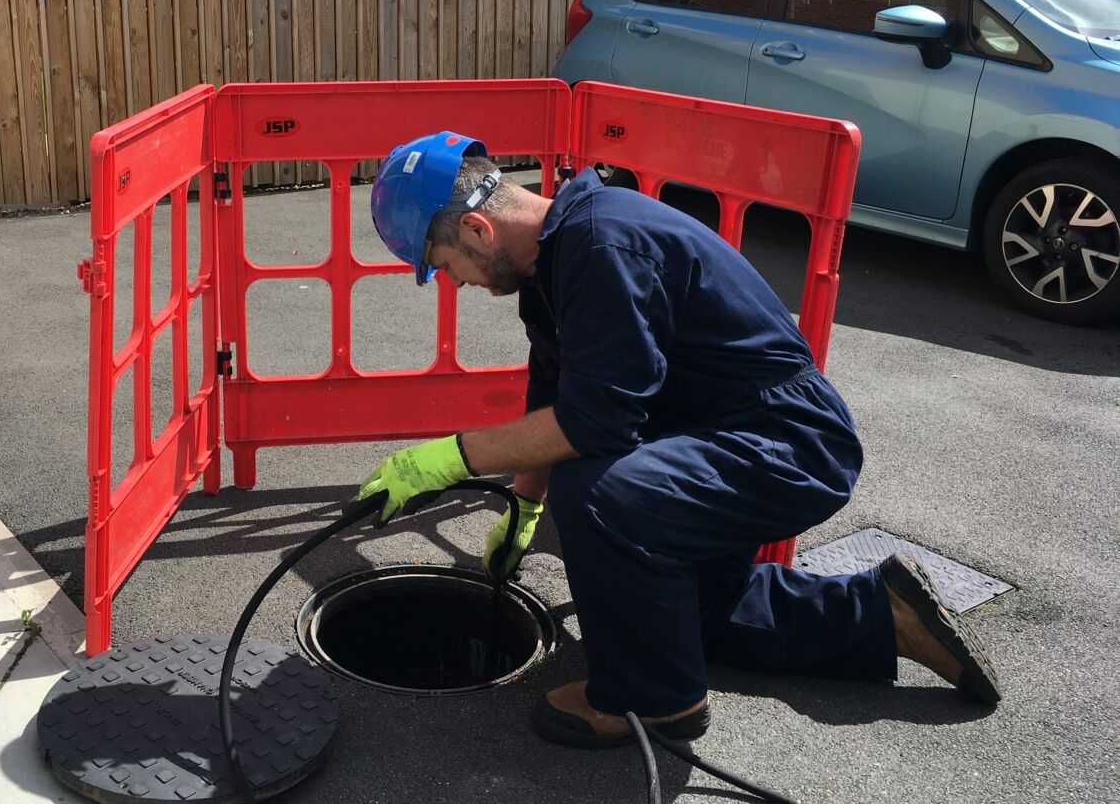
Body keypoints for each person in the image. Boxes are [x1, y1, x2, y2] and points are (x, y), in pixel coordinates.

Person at [355, 131, 1001, 748]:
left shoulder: (602, 245)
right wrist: (522, 508)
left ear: (476, 228)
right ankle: (884, 613)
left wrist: (447, 457)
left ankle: (656, 699)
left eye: (444, 266)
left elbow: (591, 426)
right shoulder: (552, 269)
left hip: (788, 443)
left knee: (597, 491)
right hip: (722, 438)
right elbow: (553, 400)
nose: (455, 283)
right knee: (691, 616)